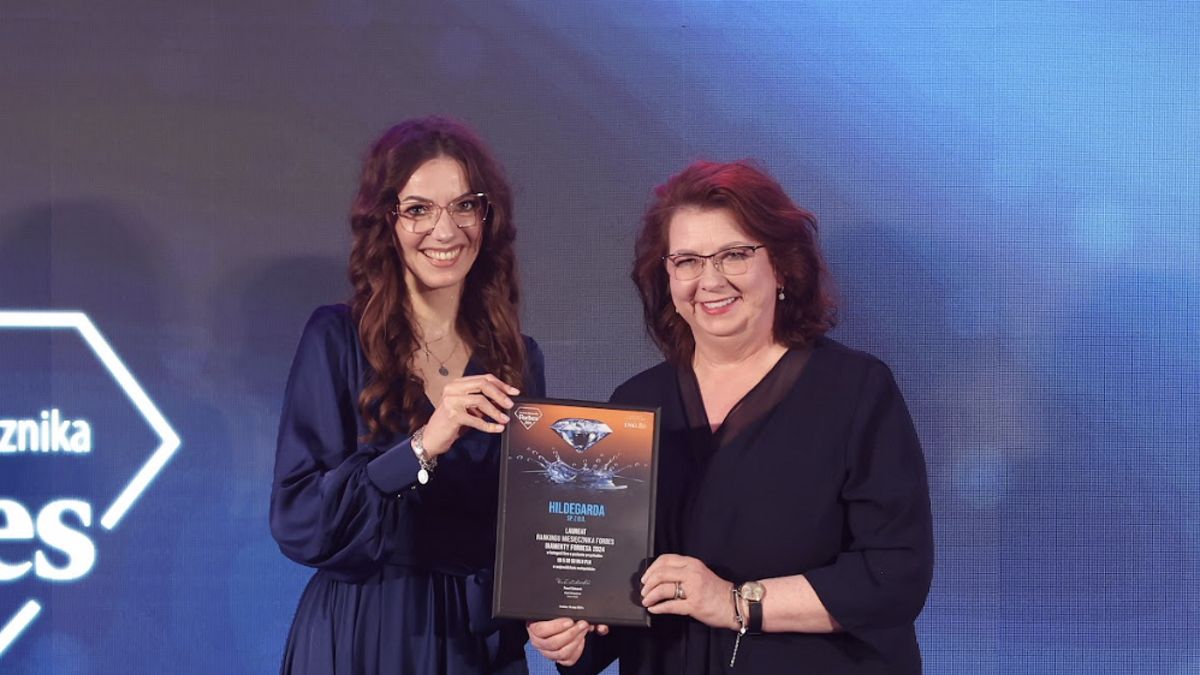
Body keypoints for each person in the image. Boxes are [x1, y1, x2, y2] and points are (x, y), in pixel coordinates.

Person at [528, 160, 933, 673]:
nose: (710, 280)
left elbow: (896, 575)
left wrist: (734, 602)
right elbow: (619, 590)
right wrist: (574, 632)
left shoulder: (855, 391)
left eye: (734, 255)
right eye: (687, 261)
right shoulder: (636, 402)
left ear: (782, 266)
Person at [270, 117, 544, 674]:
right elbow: (298, 517)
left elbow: (530, 526)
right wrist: (421, 447)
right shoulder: (337, 338)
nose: (445, 231)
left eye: (464, 206)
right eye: (419, 209)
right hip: (362, 630)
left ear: (487, 218)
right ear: (386, 222)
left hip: (473, 641)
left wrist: (568, 596)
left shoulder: (517, 358)